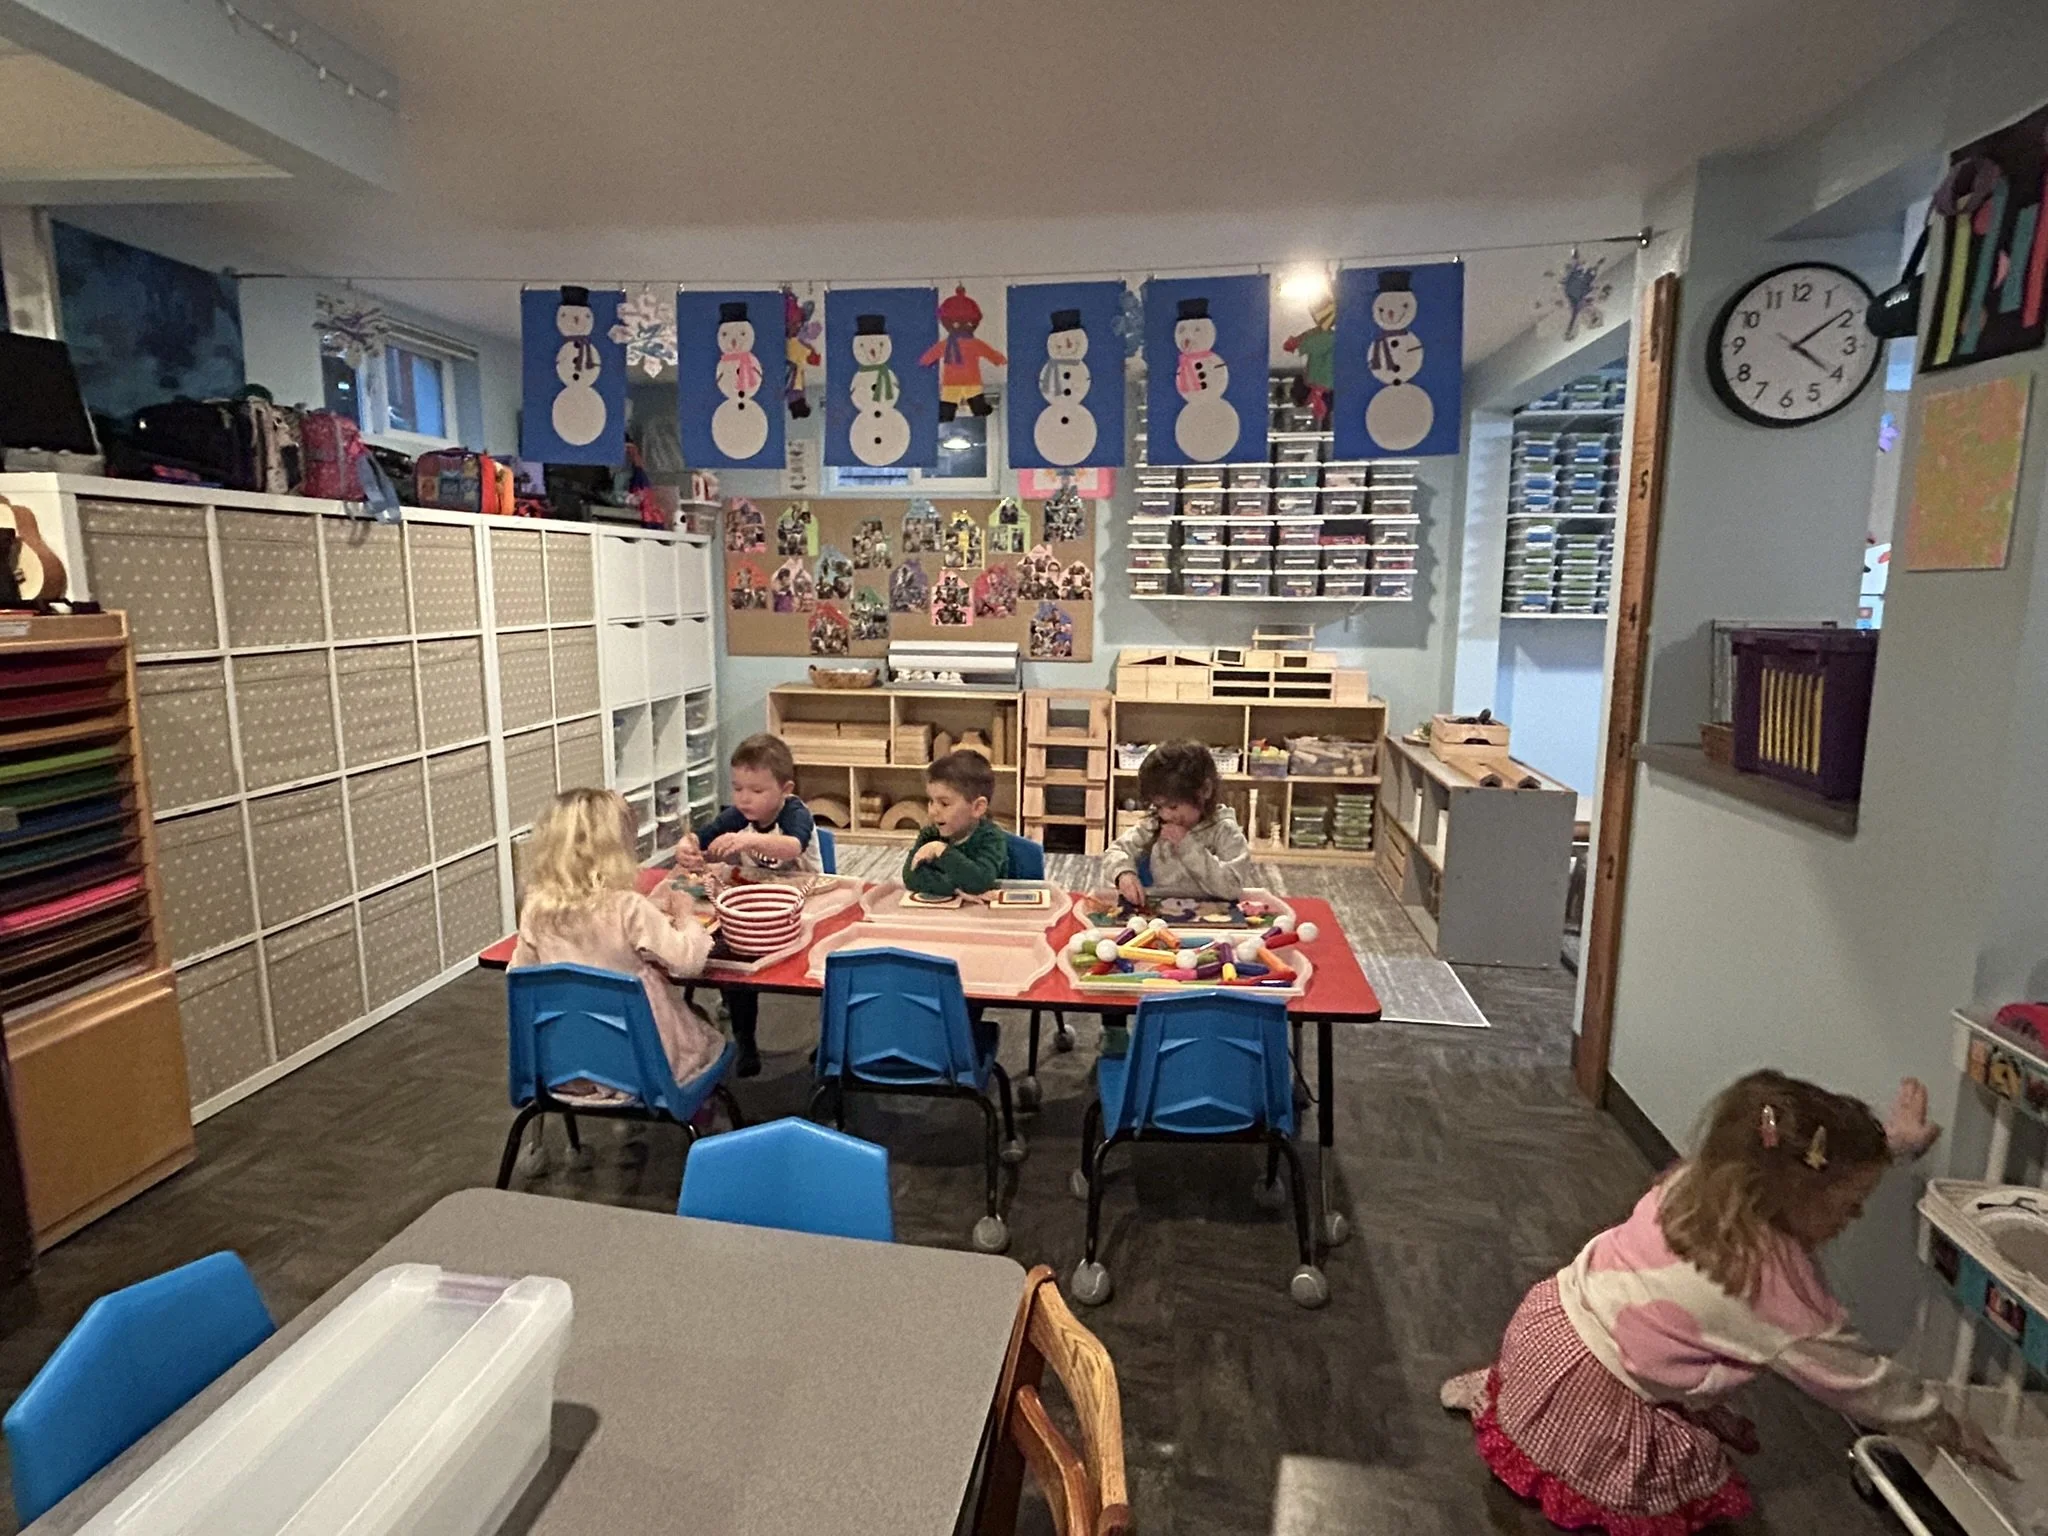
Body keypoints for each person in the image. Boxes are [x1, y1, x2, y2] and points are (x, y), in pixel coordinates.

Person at [1441, 1071, 2011, 1533]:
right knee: (1674, 1498)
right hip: (1594, 1394)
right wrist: (1946, 1424)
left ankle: (1523, 1414)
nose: (1856, 1215)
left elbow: (1811, 1164)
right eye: (1850, 1204)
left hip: (1547, 1330)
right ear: (1797, 1195)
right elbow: (1862, 1381)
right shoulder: (1775, 1297)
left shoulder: (1701, 1182)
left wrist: (1893, 1144)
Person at [509, 788, 722, 1106]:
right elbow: (688, 962)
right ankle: (702, 1112)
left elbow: (520, 977)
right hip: (643, 1065)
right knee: (706, 1031)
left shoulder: (535, 909)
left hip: (566, 1066)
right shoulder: (628, 907)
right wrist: (685, 915)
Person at [676, 733, 818, 1076]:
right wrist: (687, 846)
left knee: (819, 968)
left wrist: (747, 841)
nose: (744, 798)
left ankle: (824, 1040)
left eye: (756, 790)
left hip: (803, 906)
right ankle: (745, 1041)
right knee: (732, 964)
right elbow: (702, 836)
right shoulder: (738, 814)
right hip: (755, 905)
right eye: (737, 788)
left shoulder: (795, 812)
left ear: (785, 789)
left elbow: (792, 846)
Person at [1100, 741, 1253, 907]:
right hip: (1163, 909)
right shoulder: (1155, 824)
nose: (1165, 815)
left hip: (1214, 913)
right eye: (1159, 807)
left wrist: (1187, 846)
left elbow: (1232, 887)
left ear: (1205, 790)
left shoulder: (1225, 831)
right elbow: (1116, 850)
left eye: (1173, 806)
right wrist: (1124, 873)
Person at [903, 749, 1008, 898]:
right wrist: (957, 889)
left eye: (944, 804)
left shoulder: (991, 837)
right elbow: (911, 877)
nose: (932, 811)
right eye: (931, 801)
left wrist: (941, 851)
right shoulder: (930, 834)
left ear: (977, 808)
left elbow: (980, 881)